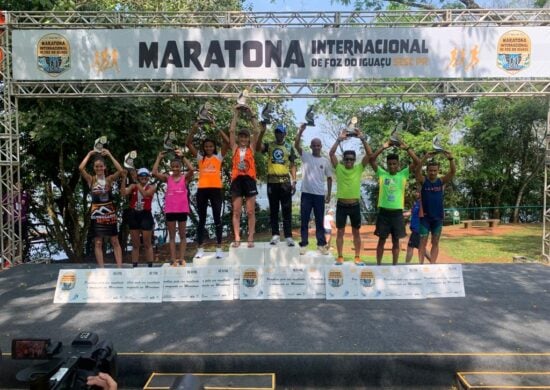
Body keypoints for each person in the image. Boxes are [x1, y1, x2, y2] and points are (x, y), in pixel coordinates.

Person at [369, 140, 420, 265]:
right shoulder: (382, 174)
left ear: (398, 164)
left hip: (397, 214)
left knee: (396, 242)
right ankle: (379, 265)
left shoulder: (403, 174)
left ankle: (395, 266)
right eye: (390, 164)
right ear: (386, 164)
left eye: (394, 164)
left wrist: (406, 147)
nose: (392, 166)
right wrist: (383, 146)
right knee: (381, 241)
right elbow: (371, 160)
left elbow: (417, 162)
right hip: (384, 214)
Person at [186, 121, 230, 259]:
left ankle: (218, 247)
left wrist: (215, 125)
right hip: (202, 190)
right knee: (202, 220)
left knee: (217, 218)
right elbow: (188, 143)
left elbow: (228, 142)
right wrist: (195, 126)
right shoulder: (201, 158)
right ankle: (200, 248)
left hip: (216, 189)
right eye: (206, 146)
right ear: (204, 148)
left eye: (211, 146)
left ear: (214, 147)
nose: (209, 148)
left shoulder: (218, 157)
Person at [329, 129, 372, 265]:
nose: (349, 161)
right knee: (340, 232)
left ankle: (357, 257)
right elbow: (331, 153)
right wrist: (339, 139)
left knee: (356, 233)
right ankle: (340, 256)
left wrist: (363, 138)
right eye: (346, 159)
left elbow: (370, 155)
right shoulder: (339, 168)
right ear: (343, 160)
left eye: (351, 159)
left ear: (354, 160)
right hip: (341, 205)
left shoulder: (359, 168)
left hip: (354, 206)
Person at [79, 149, 124, 268]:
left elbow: (120, 170)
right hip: (96, 214)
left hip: (109, 213)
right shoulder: (91, 179)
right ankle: (102, 269)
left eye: (101, 166)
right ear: (94, 168)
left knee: (115, 241)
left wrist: (110, 154)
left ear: (104, 167)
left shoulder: (109, 179)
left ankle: (119, 268)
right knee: (98, 242)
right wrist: (89, 154)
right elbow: (80, 168)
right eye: (96, 166)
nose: (99, 168)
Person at [256, 121, 297, 246]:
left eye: (281, 132)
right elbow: (258, 147)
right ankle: (275, 235)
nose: (279, 134)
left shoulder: (290, 147)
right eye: (277, 132)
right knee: (273, 210)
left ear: (285, 133)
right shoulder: (270, 145)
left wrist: (294, 180)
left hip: (285, 182)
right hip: (272, 182)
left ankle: (288, 236)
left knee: (286, 210)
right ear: (275, 134)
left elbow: (293, 165)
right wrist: (262, 132)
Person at [294, 123, 333, 254]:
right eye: (314, 145)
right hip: (306, 194)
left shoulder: (325, 161)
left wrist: (328, 194)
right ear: (311, 146)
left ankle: (321, 245)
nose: (316, 147)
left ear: (321, 147)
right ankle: (304, 244)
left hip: (319, 195)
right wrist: (300, 131)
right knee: (304, 220)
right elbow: (296, 145)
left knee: (319, 221)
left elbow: (329, 178)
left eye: (318, 145)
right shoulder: (305, 156)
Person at [152, 150, 194, 266]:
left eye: (177, 166)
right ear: (170, 167)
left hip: (182, 210)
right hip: (170, 210)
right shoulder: (167, 178)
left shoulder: (185, 178)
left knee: (182, 235)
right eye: (173, 167)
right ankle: (173, 259)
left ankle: (181, 258)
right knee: (171, 236)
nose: (175, 169)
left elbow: (191, 169)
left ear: (180, 167)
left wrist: (183, 156)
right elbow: (154, 172)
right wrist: (159, 158)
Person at [415, 151, 456, 264]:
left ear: (438, 171)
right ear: (427, 171)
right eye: (430, 170)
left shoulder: (441, 181)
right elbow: (416, 171)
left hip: (437, 217)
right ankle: (421, 265)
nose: (432, 173)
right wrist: (424, 158)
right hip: (425, 218)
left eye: (435, 170)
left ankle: (433, 265)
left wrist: (451, 159)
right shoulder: (423, 181)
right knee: (422, 242)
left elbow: (452, 172)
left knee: (435, 242)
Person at [229, 105, 260, 248]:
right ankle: (237, 237)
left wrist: (251, 113)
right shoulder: (234, 148)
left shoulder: (251, 148)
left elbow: (256, 130)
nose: (243, 138)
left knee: (250, 211)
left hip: (249, 180)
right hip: (237, 181)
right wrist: (236, 114)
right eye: (241, 136)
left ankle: (251, 237)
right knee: (236, 211)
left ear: (248, 139)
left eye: (245, 136)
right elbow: (231, 130)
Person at [120, 167, 157, 268]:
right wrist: (123, 179)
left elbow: (145, 194)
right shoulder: (133, 186)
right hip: (134, 215)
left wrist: (136, 182)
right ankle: (134, 266)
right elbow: (123, 193)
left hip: (146, 215)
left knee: (147, 243)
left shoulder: (152, 186)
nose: (143, 178)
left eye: (145, 176)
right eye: (141, 176)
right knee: (135, 244)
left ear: (148, 177)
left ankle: (150, 266)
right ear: (138, 177)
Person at [404, 191, 431, 264]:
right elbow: (410, 212)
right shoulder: (416, 203)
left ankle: (406, 265)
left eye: (418, 192)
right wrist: (399, 214)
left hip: (418, 229)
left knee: (410, 247)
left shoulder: (424, 203)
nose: (416, 193)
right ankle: (433, 262)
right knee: (422, 249)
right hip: (416, 230)